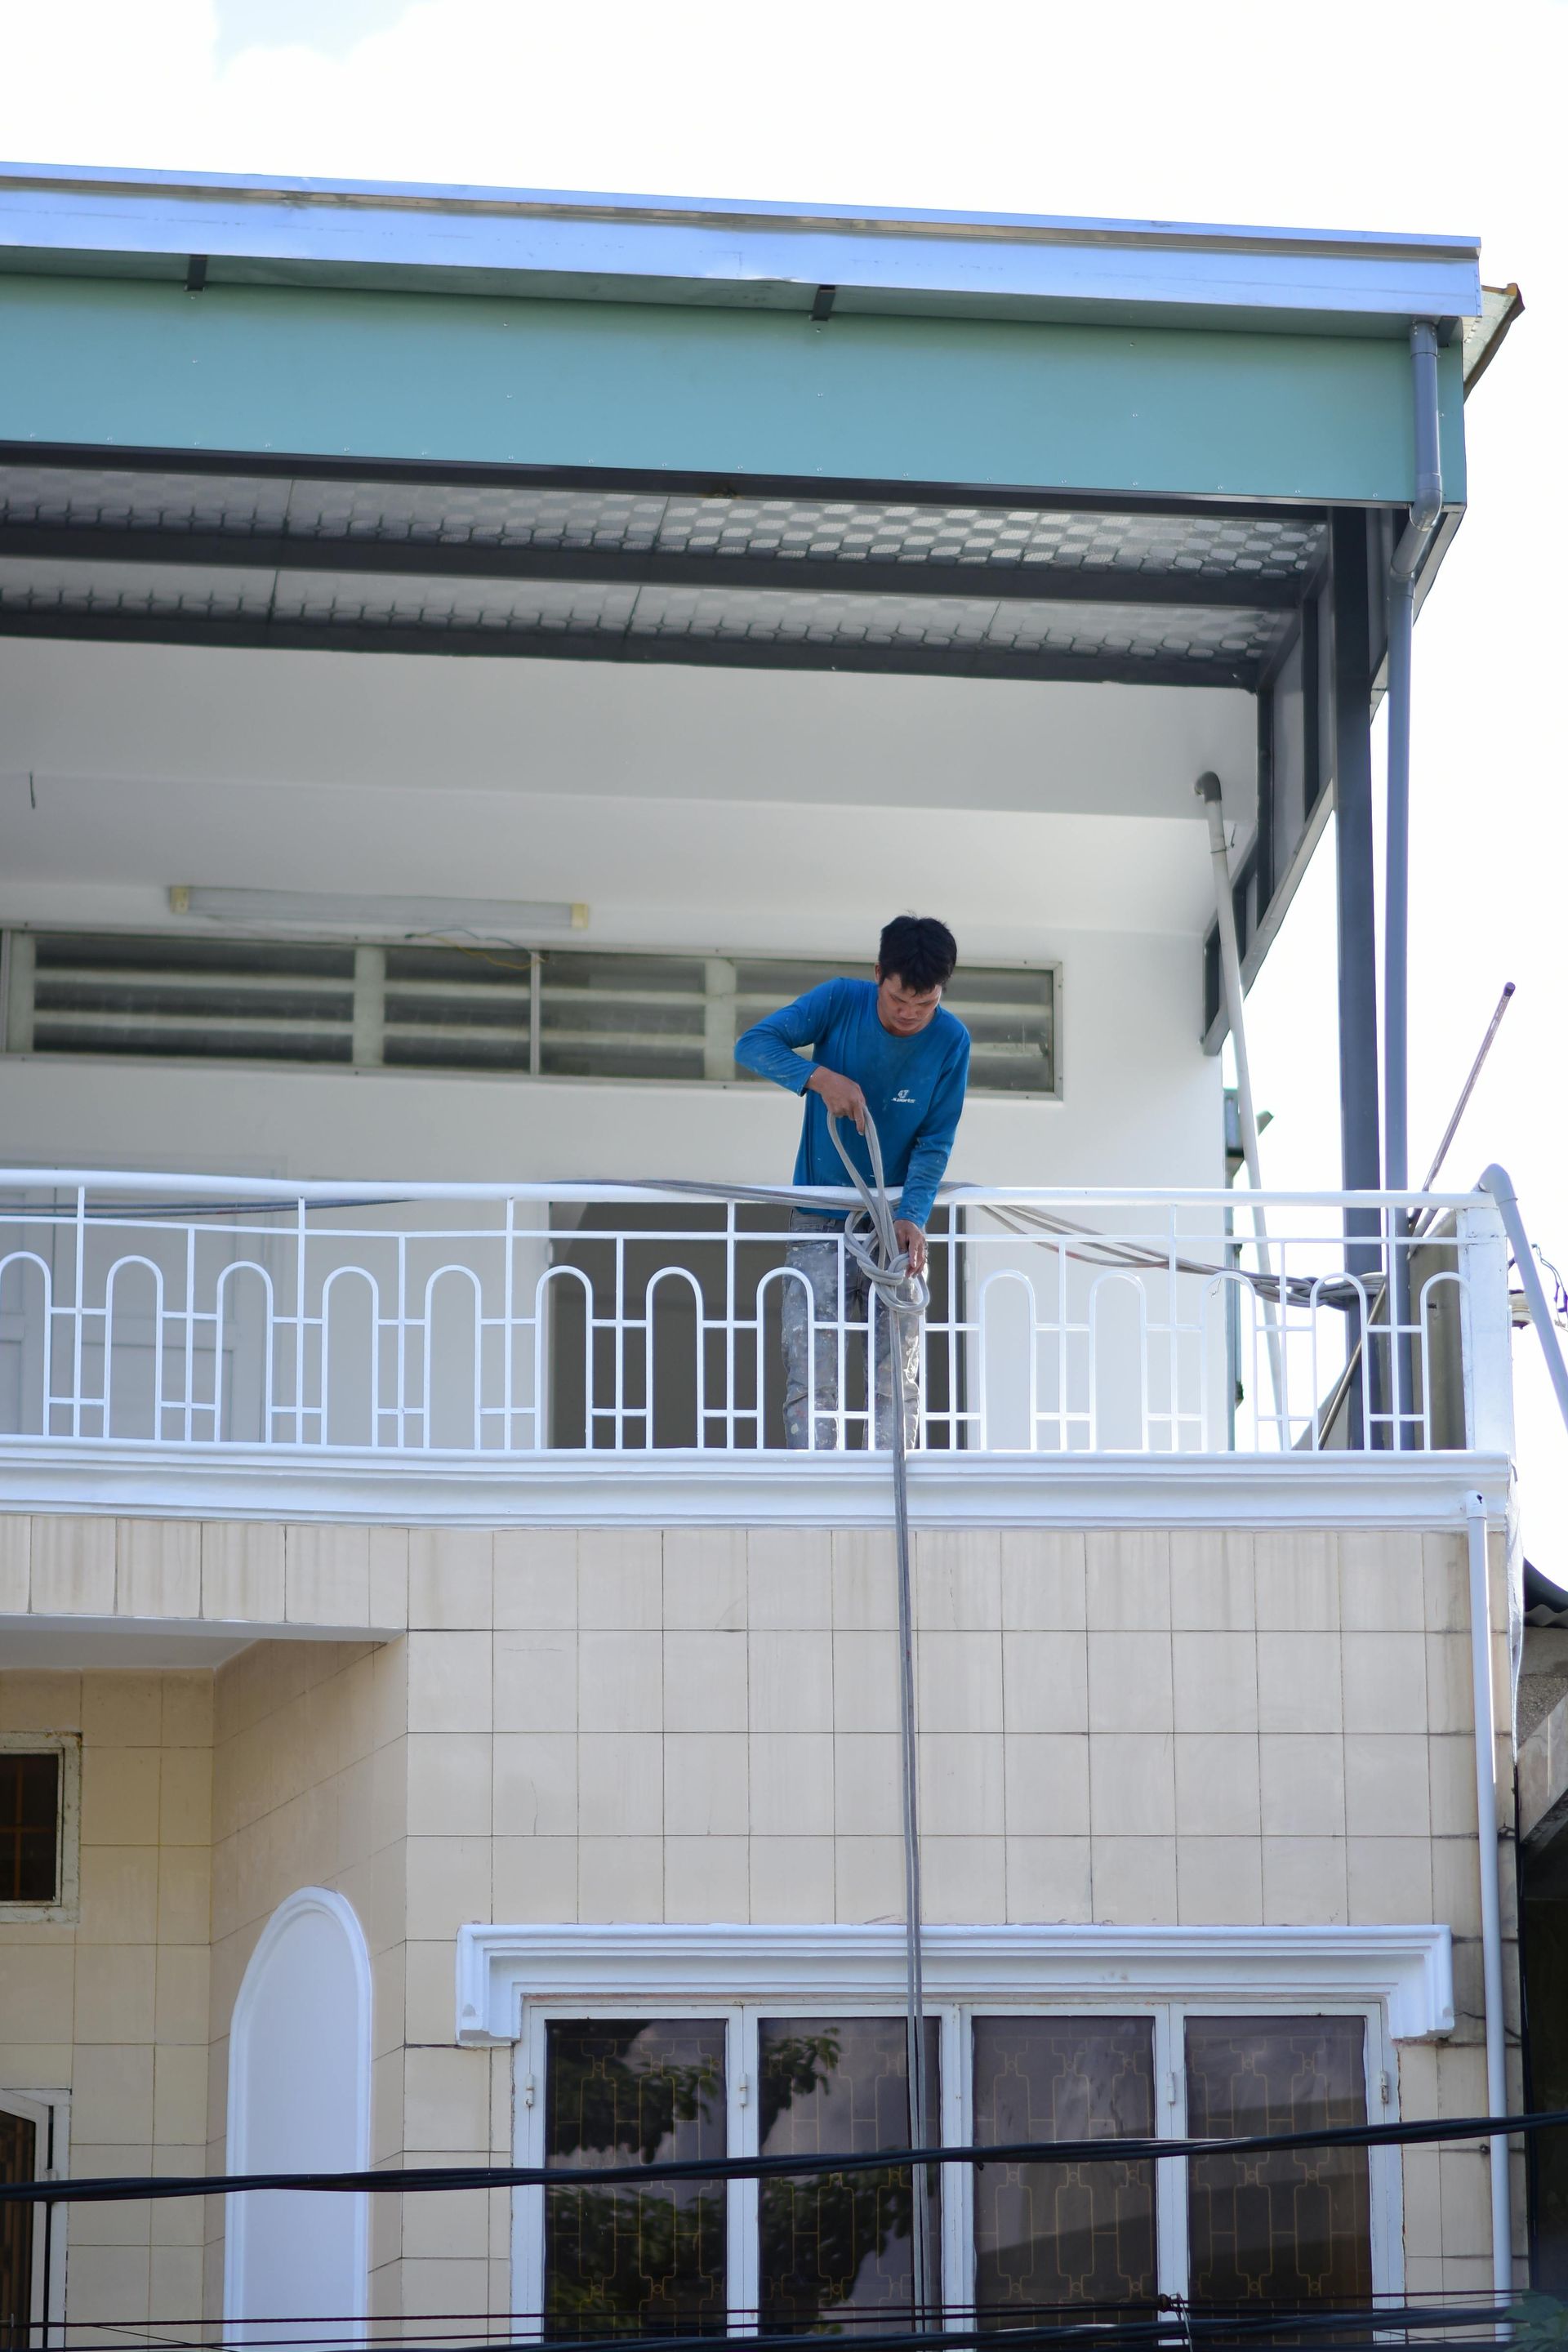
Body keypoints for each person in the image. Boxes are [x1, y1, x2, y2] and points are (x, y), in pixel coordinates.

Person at [735, 915, 970, 1450]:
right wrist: (818, 1078)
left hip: (894, 1222)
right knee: (812, 1365)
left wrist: (914, 1213)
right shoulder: (840, 1000)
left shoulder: (953, 1040)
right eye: (897, 1002)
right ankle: (817, 1487)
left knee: (897, 1373)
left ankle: (894, 1483)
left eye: (925, 1005)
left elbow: (936, 1137)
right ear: (877, 976)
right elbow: (752, 1044)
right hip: (820, 1217)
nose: (910, 1016)